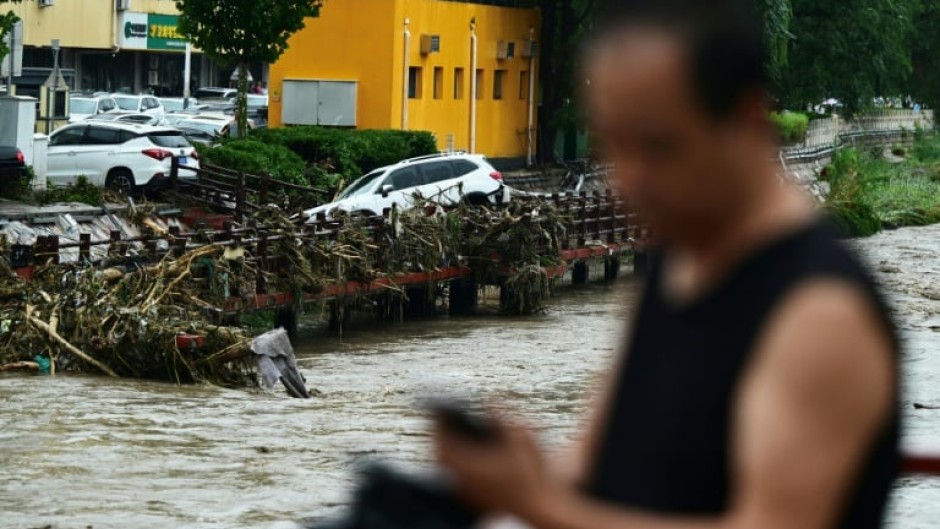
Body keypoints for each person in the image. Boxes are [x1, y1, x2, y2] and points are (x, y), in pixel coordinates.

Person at [433, 1, 899, 528]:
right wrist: (514, 479)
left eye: (659, 146)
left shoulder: (820, 314)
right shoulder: (675, 267)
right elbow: (594, 467)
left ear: (747, 121)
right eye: (615, 145)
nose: (628, 181)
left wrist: (539, 503)